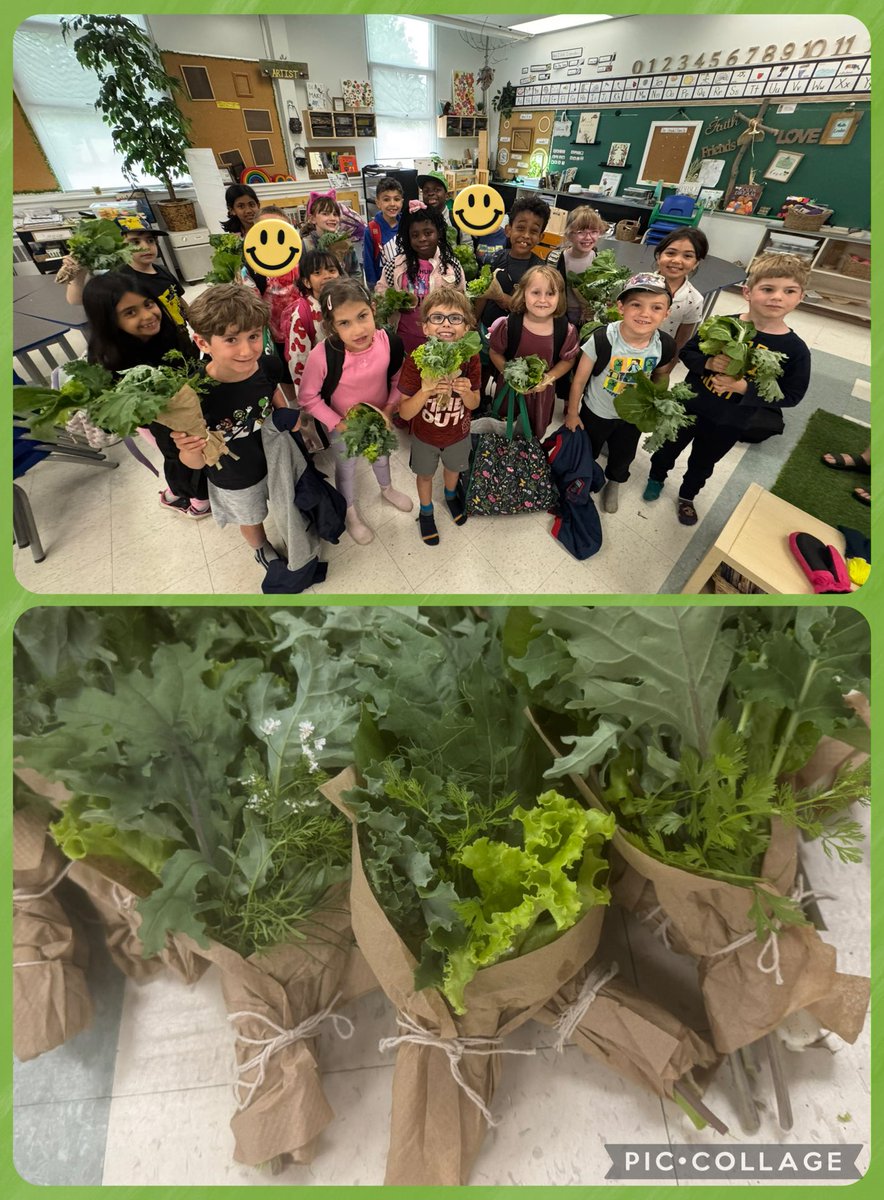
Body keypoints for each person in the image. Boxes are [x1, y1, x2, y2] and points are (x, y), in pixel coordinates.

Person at [643, 252, 811, 525]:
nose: (777, 297)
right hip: (689, 406)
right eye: (768, 289)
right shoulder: (722, 324)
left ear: (800, 297)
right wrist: (708, 362)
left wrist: (746, 388)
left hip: (730, 421)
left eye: (789, 291)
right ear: (748, 292)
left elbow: (792, 394)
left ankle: (687, 495)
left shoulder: (795, 350)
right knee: (667, 447)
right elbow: (688, 353)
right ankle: (656, 477)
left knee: (703, 462)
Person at [169, 284, 290, 568]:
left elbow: (273, 392)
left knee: (284, 501)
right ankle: (260, 548)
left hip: (275, 459)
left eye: (253, 336)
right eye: (231, 339)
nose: (247, 350)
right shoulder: (193, 396)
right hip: (235, 476)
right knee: (250, 517)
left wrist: (287, 417)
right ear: (203, 343)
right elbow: (195, 463)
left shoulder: (268, 366)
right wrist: (189, 448)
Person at [81, 272, 208, 518]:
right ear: (108, 321)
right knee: (176, 455)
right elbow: (110, 417)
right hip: (153, 421)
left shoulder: (166, 331)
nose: (148, 315)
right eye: (130, 312)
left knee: (189, 451)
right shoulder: (106, 359)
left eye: (148, 304)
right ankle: (197, 502)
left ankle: (178, 491)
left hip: (182, 405)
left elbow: (189, 361)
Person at [298, 278, 413, 544]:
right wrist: (338, 423)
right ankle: (349, 511)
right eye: (344, 323)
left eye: (362, 316)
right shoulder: (322, 355)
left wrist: (388, 408)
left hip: (379, 420)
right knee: (347, 467)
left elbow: (398, 378)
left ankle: (387, 488)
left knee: (381, 456)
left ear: (373, 309)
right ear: (331, 326)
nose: (358, 330)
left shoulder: (388, 342)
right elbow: (308, 397)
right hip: (343, 426)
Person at [565, 271, 678, 514]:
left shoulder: (664, 345)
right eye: (636, 304)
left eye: (656, 307)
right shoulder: (602, 339)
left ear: (666, 313)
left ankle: (614, 482)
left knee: (623, 454)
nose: (645, 313)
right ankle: (584, 476)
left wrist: (659, 401)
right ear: (621, 307)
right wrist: (572, 413)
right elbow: (579, 380)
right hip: (597, 411)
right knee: (588, 449)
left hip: (633, 417)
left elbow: (660, 375)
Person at [395, 287, 481, 546]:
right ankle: (426, 511)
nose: (446, 324)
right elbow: (404, 411)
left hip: (458, 433)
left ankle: (450, 495)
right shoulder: (416, 360)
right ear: (425, 327)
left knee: (454, 469)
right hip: (425, 436)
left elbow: (475, 402)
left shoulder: (471, 358)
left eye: (455, 318)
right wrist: (425, 390)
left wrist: (466, 392)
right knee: (424, 475)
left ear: (466, 327)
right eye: (437, 318)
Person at [488, 264, 579, 438]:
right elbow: (494, 352)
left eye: (550, 293)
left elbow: (568, 360)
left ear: (560, 297)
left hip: (541, 395)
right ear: (523, 294)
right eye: (536, 292)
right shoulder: (508, 325)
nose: (543, 300)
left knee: (534, 433)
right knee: (503, 430)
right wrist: (511, 376)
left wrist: (548, 378)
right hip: (509, 391)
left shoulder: (566, 330)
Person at [62, 214, 187, 329]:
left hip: (180, 331)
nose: (145, 247)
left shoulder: (162, 270)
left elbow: (179, 299)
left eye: (150, 240)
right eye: (135, 242)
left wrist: (193, 321)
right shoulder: (119, 279)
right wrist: (79, 273)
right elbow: (77, 300)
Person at [375, 201, 466, 354]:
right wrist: (393, 301)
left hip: (441, 340)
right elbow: (381, 292)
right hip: (405, 338)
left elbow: (462, 301)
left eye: (428, 233)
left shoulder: (452, 266)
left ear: (439, 233)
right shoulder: (395, 266)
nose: (422, 239)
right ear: (407, 237)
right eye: (415, 235)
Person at [473, 196, 551, 330]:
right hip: (486, 329)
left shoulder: (541, 271)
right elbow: (482, 295)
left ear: (540, 237)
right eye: (520, 228)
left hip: (519, 334)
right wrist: (473, 323)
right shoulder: (495, 258)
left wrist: (502, 298)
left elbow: (537, 310)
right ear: (508, 230)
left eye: (533, 231)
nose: (526, 235)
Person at [242, 205, 301, 366]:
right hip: (274, 338)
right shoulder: (250, 271)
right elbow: (251, 308)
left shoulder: (300, 260)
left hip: (303, 330)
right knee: (282, 372)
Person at [285, 249, 342, 390]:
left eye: (332, 270)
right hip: (325, 384)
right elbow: (299, 360)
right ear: (307, 282)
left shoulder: (350, 302)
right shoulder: (302, 315)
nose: (327, 276)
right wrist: (308, 395)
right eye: (317, 273)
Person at [548, 206, 609, 327]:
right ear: (569, 234)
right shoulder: (555, 260)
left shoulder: (600, 260)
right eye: (581, 232)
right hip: (560, 317)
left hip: (589, 319)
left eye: (594, 232)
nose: (588, 237)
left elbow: (605, 293)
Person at [653, 227, 710, 350]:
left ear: (696, 263)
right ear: (658, 256)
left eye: (687, 256)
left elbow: (682, 340)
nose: (677, 260)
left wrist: (671, 360)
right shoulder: (637, 284)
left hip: (660, 354)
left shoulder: (694, 300)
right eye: (670, 253)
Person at [300, 193, 360, 278]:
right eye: (325, 214)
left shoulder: (345, 243)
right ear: (312, 219)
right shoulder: (305, 245)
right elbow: (300, 276)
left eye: (335, 214)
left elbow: (355, 273)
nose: (332, 218)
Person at [364, 176, 404, 289]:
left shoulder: (407, 225)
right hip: (383, 287)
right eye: (386, 200)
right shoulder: (371, 230)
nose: (392, 204)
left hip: (406, 283)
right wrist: (373, 288)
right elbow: (368, 262)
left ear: (402, 202)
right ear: (378, 203)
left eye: (396, 199)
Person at [416, 169, 461, 243]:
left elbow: (468, 245)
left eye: (437, 190)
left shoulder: (457, 219)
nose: (430, 193)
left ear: (446, 195)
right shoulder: (419, 220)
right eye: (426, 191)